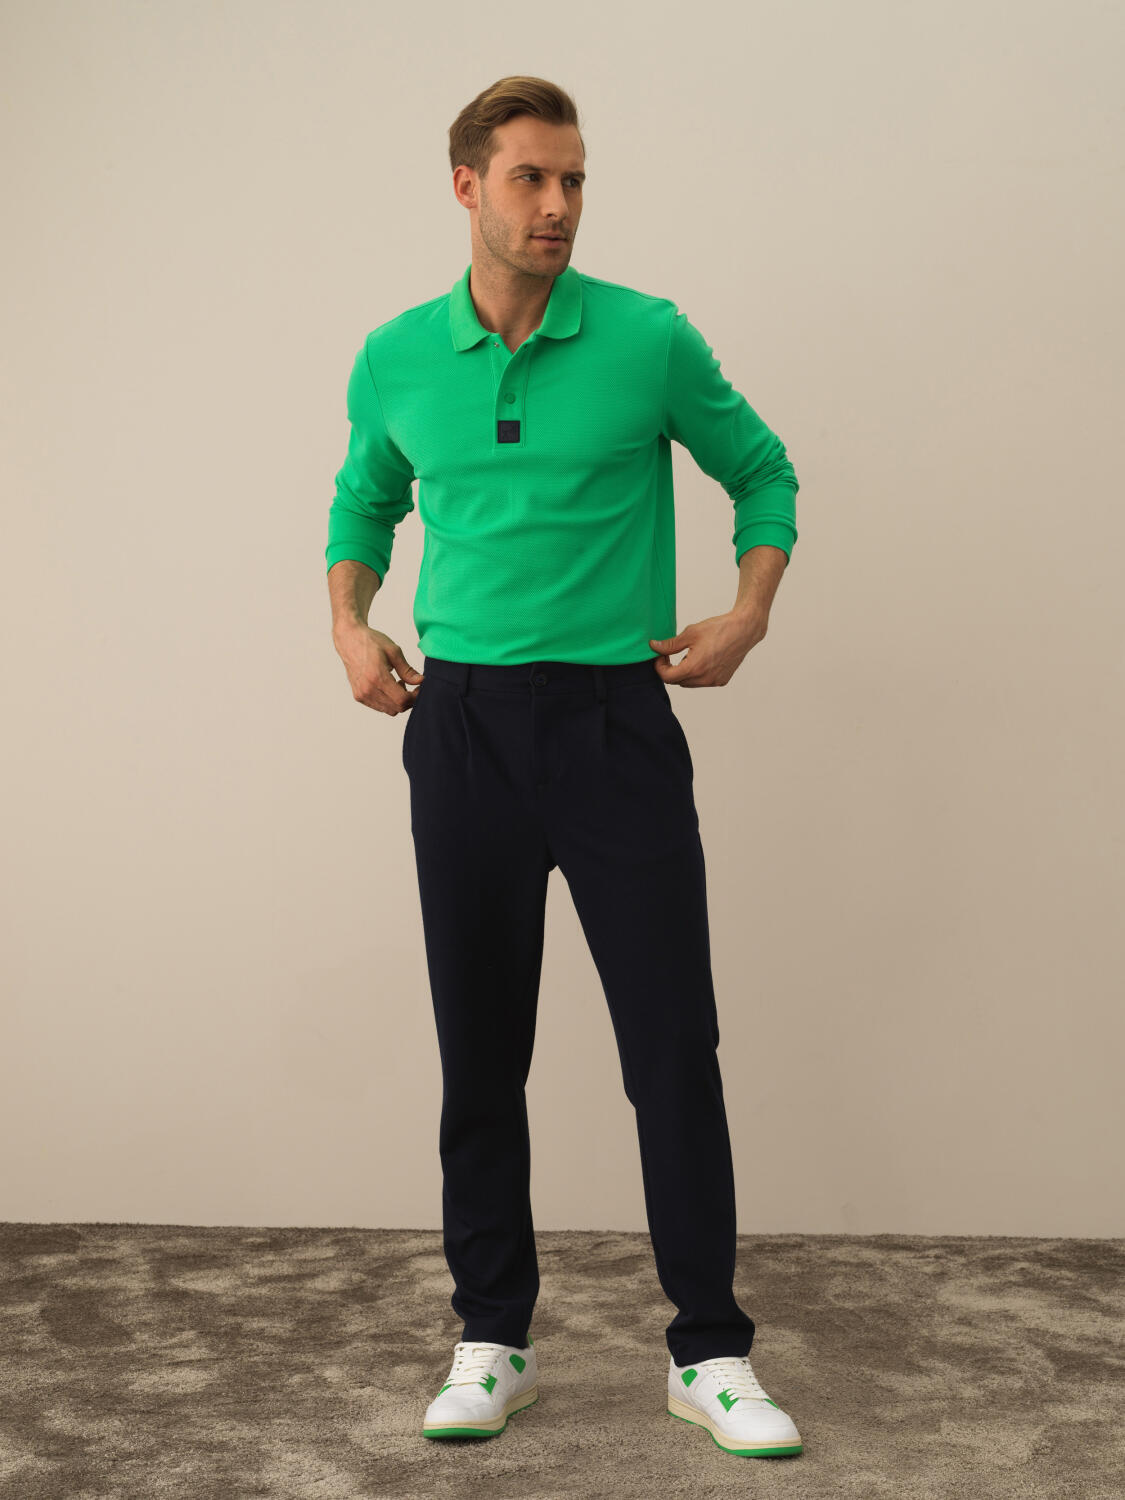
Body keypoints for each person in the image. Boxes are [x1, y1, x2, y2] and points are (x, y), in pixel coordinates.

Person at [326, 75, 803, 1462]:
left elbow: (763, 472)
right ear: (466, 186)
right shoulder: (396, 356)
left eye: (575, 179)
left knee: (672, 1047)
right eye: (531, 178)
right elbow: (363, 499)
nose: (558, 205)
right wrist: (349, 624)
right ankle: (492, 1337)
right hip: (463, 726)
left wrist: (747, 613)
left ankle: (708, 1351)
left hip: (614, 725)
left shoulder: (647, 338)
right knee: (479, 1051)